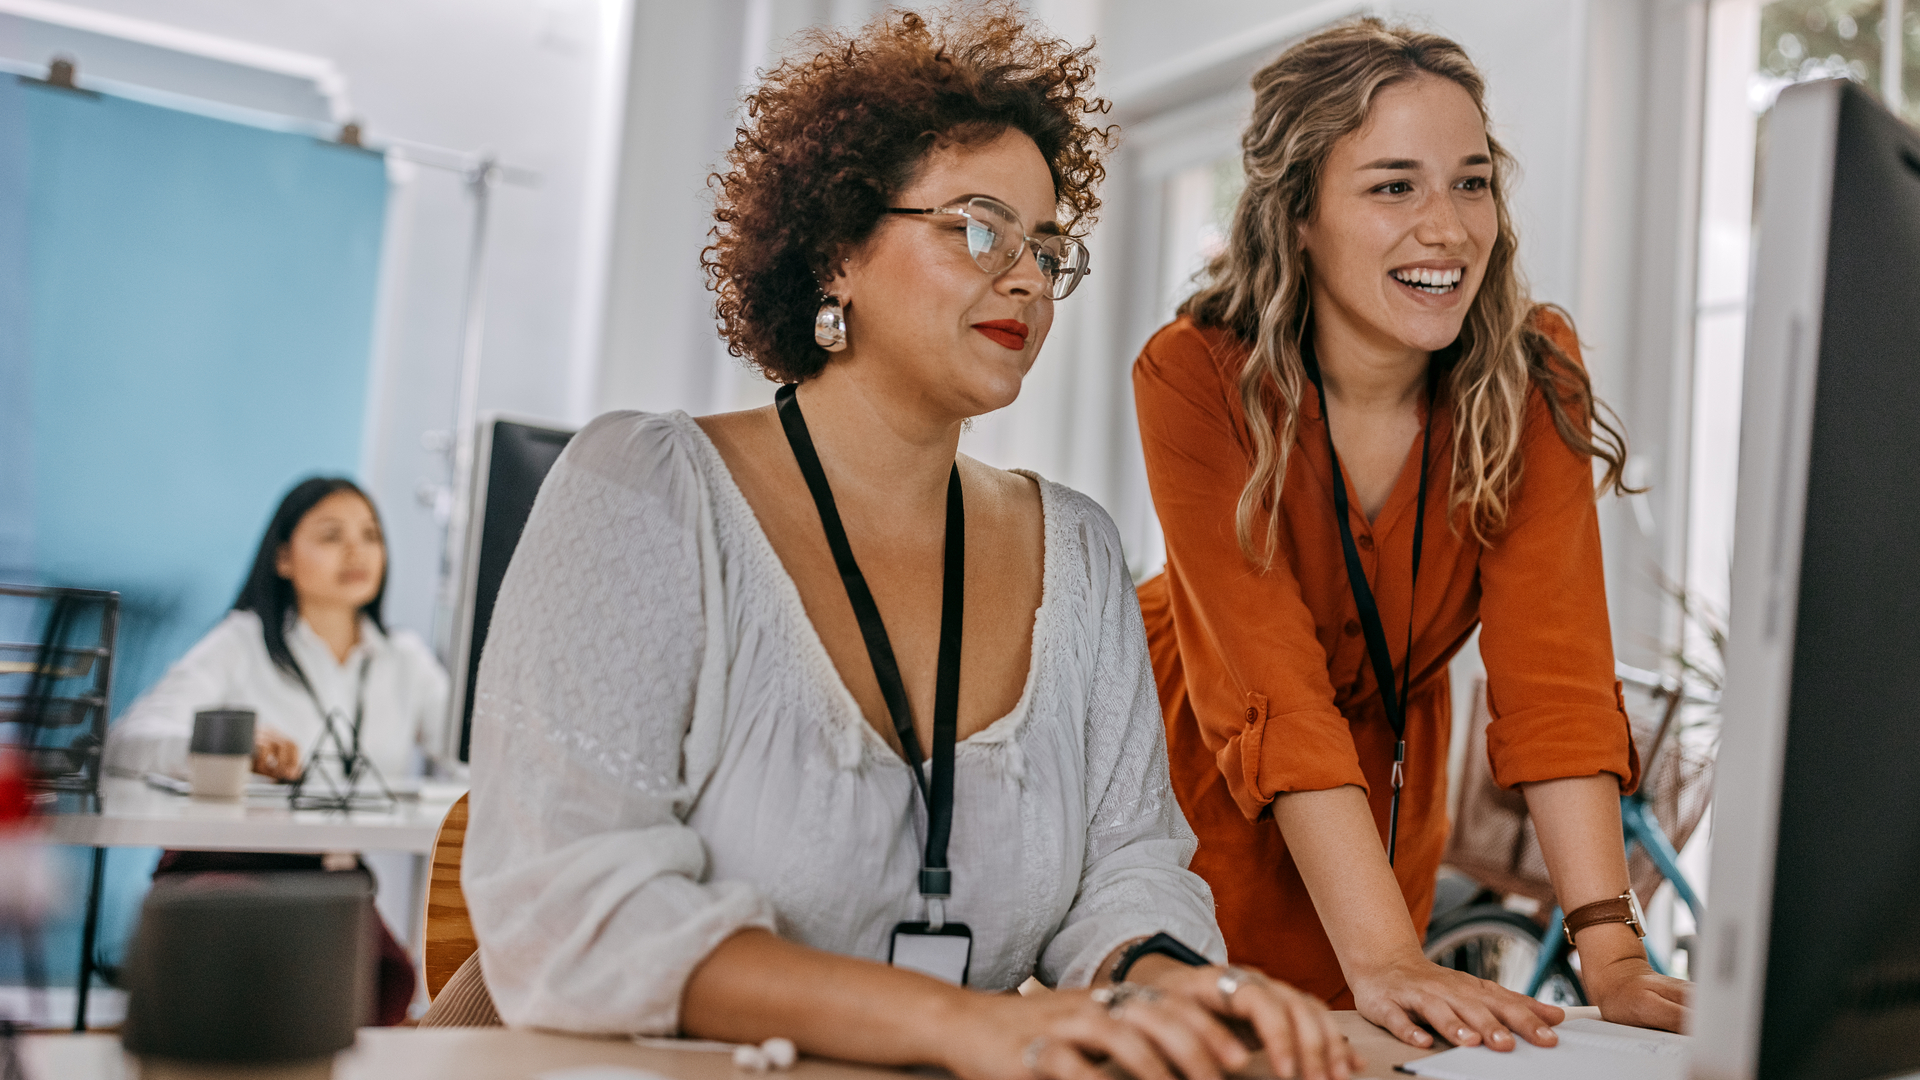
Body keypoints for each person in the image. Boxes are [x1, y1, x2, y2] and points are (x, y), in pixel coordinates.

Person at [461, 8, 1359, 1080]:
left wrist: (1184, 993)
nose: (1027, 278)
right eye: (980, 229)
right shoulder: (644, 490)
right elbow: (575, 910)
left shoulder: (1074, 550)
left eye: (1047, 247)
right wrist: (965, 1026)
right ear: (838, 249)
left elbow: (1128, 872)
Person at [1132, 17, 1692, 1055]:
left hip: (1387, 788)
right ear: (1298, 213)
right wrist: (1385, 955)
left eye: (1471, 183)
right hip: (1199, 775)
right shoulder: (1195, 374)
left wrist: (1611, 949)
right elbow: (1274, 691)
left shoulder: (1532, 376)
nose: (1448, 228)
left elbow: (1556, 677)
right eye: (1395, 186)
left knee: (1386, 1051)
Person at [104, 476, 448, 1025]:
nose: (357, 551)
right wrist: (229, 741)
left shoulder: (405, 660)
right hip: (223, 868)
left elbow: (473, 754)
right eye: (332, 535)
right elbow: (127, 742)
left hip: (334, 883)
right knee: (260, 1005)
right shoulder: (241, 642)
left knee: (386, 992)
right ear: (284, 558)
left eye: (371, 535)